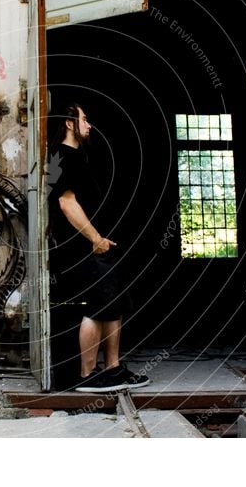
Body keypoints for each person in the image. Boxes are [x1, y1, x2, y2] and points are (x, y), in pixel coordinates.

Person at [47, 103, 150, 392]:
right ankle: (88, 375)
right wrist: (94, 238)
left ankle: (113, 370)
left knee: (112, 303)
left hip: (99, 243)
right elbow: (65, 203)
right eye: (84, 119)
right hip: (86, 246)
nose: (89, 125)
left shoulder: (73, 156)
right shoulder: (63, 156)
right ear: (69, 123)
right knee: (97, 305)